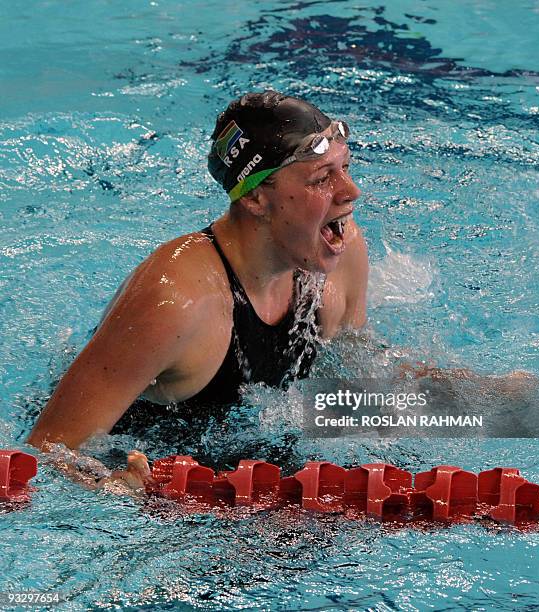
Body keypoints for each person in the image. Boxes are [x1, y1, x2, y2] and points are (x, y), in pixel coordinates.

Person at [27, 91, 369, 489]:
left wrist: (435, 389)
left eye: (344, 167)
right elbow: (45, 451)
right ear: (256, 197)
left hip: (255, 474)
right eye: (321, 178)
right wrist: (109, 487)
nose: (350, 191)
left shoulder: (338, 254)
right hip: (161, 491)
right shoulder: (176, 299)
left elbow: (350, 365)